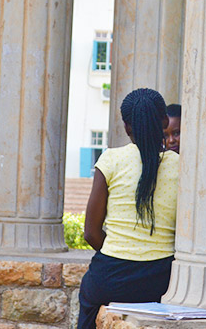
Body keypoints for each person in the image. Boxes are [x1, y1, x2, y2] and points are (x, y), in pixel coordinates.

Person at [77, 88, 179, 329]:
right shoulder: (182, 165)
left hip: (109, 278)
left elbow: (91, 233)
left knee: (88, 303)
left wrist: (121, 256)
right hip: (160, 279)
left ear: (126, 127)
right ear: (164, 121)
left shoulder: (111, 160)